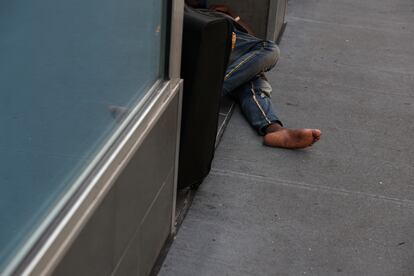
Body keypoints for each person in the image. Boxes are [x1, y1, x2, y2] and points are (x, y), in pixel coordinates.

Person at [187, 1, 321, 149]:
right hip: (218, 42)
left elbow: (252, 39)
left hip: (235, 55)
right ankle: (205, 97)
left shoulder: (219, 12)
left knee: (251, 82)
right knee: (270, 49)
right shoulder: (195, 14)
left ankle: (275, 129)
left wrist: (235, 17)